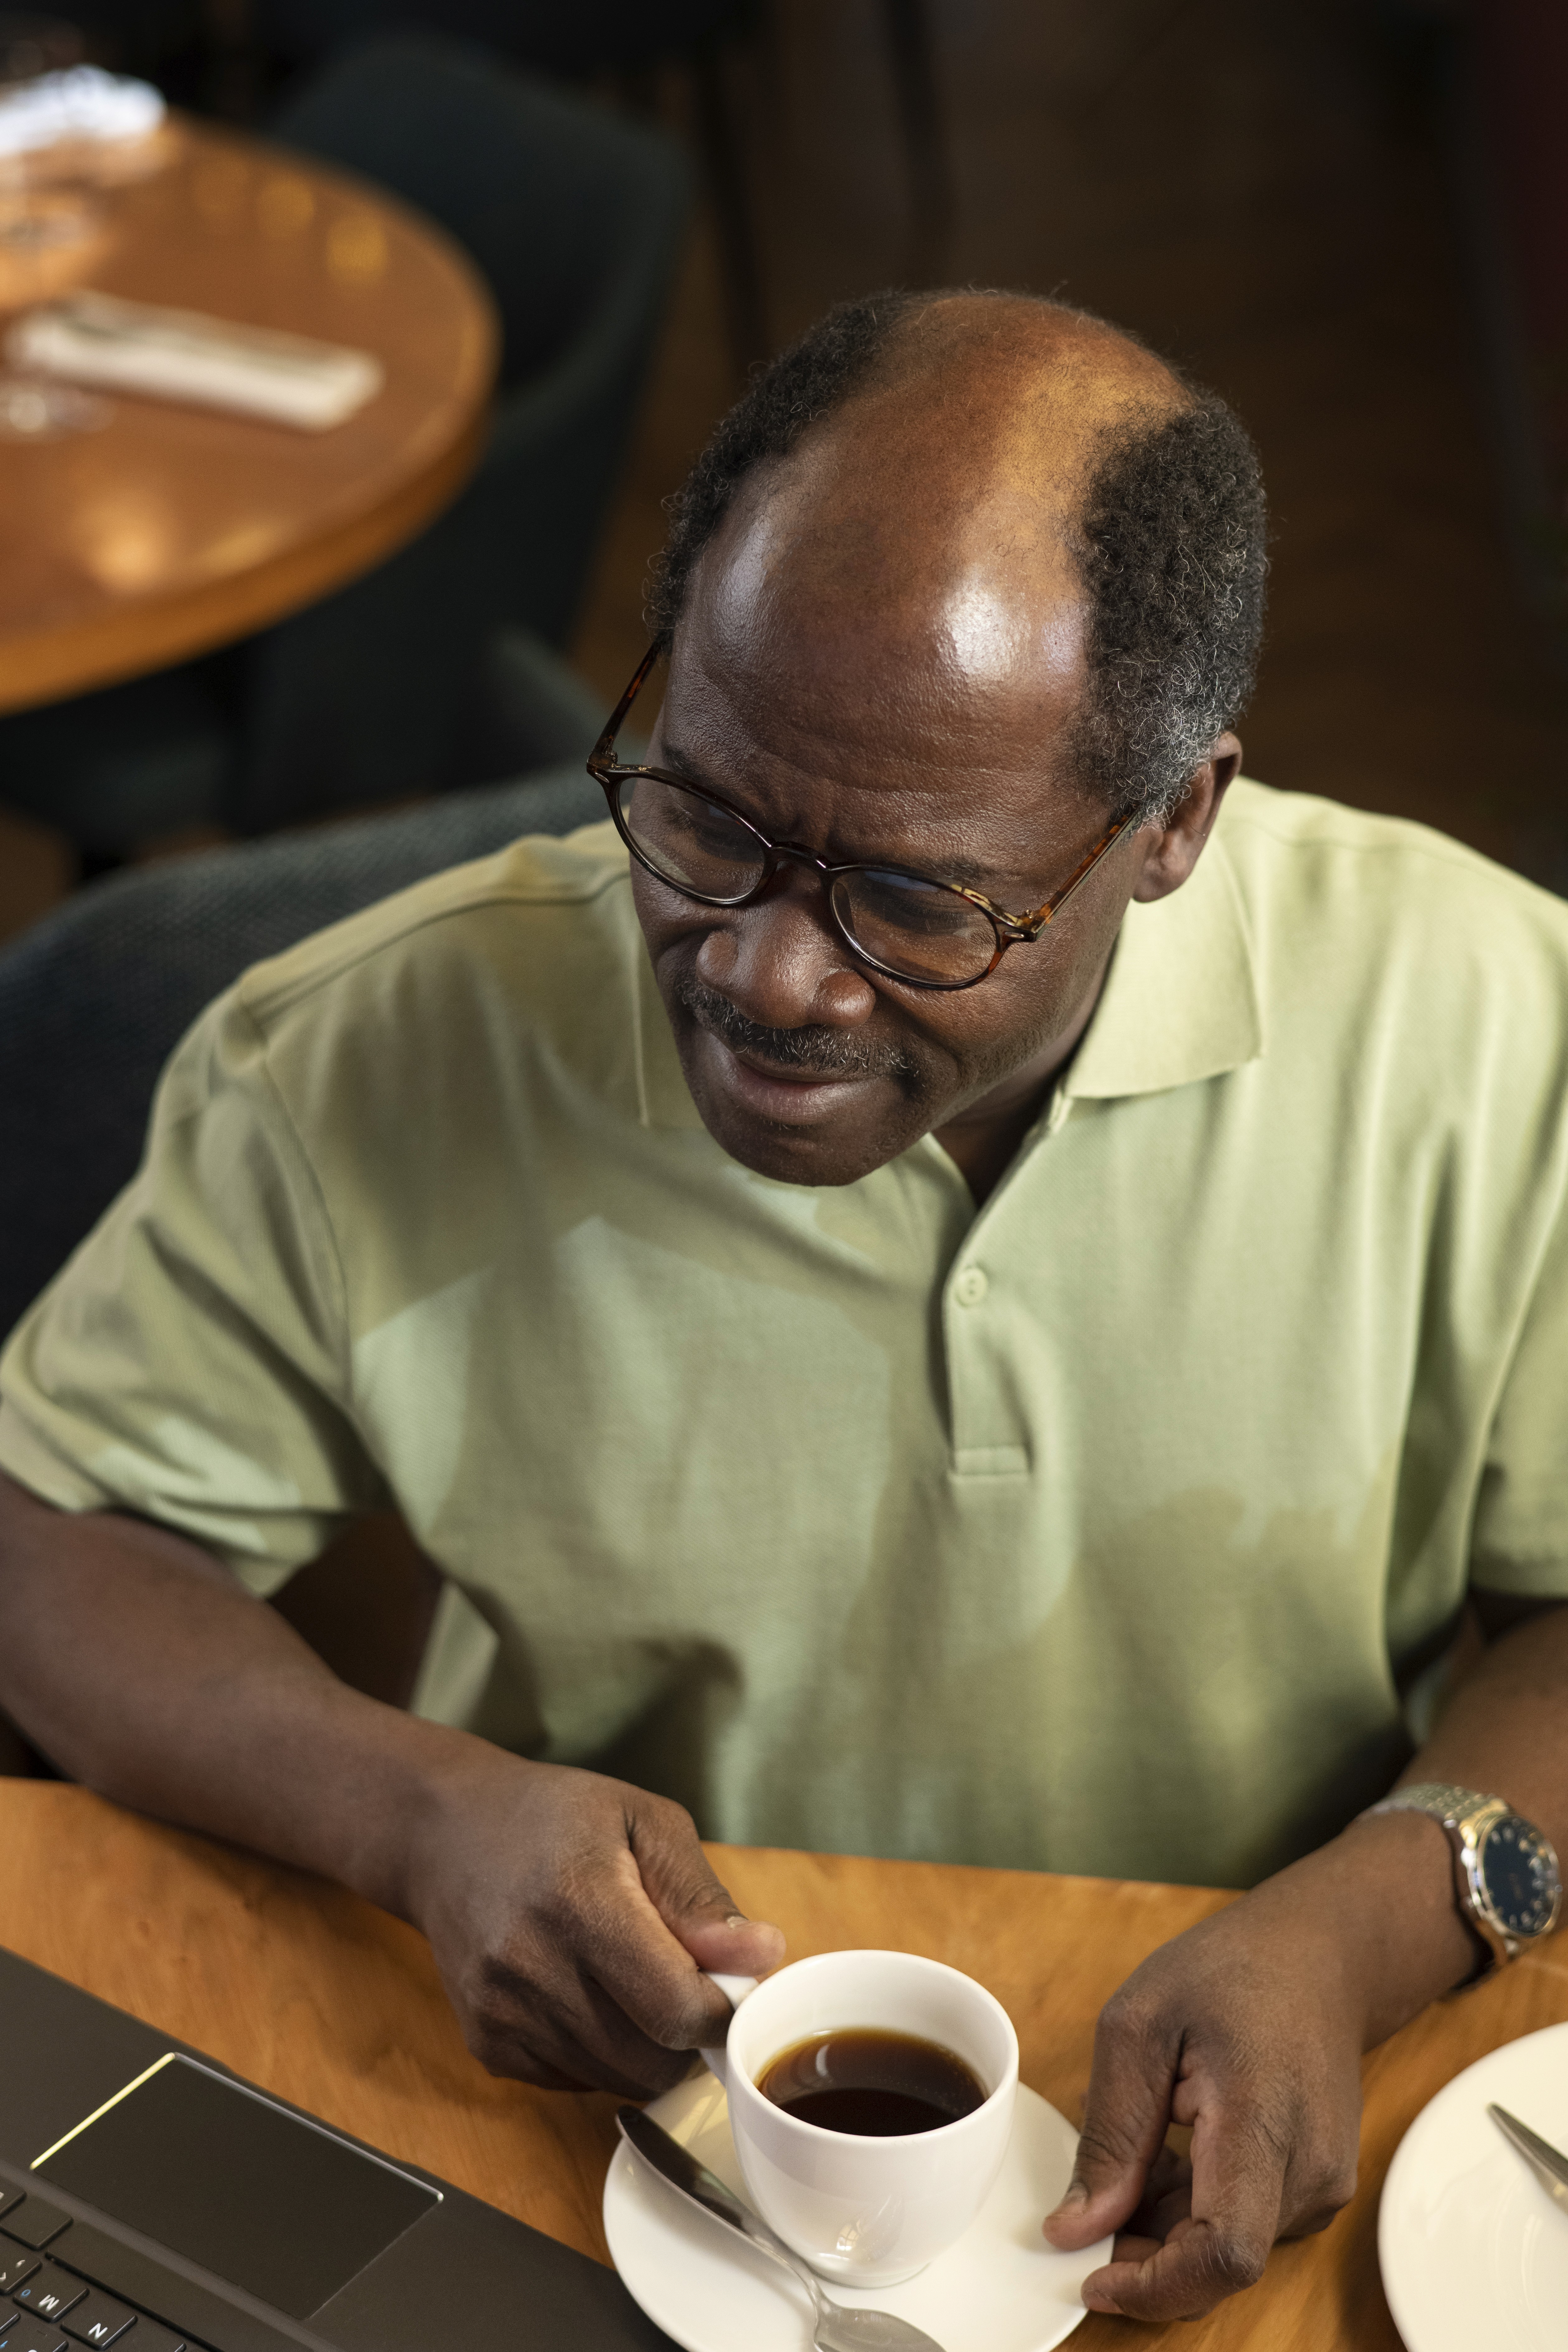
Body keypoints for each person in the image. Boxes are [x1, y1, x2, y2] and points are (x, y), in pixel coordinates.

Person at [2, 288, 1566, 2326]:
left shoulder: (1496, 1036)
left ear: (1177, 820)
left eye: (919, 899)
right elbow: (46, 1537)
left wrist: (1374, 1921)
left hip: (1256, 2123)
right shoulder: (359, 1059)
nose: (769, 977)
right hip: (580, 2122)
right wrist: (417, 1811)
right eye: (707, 818)